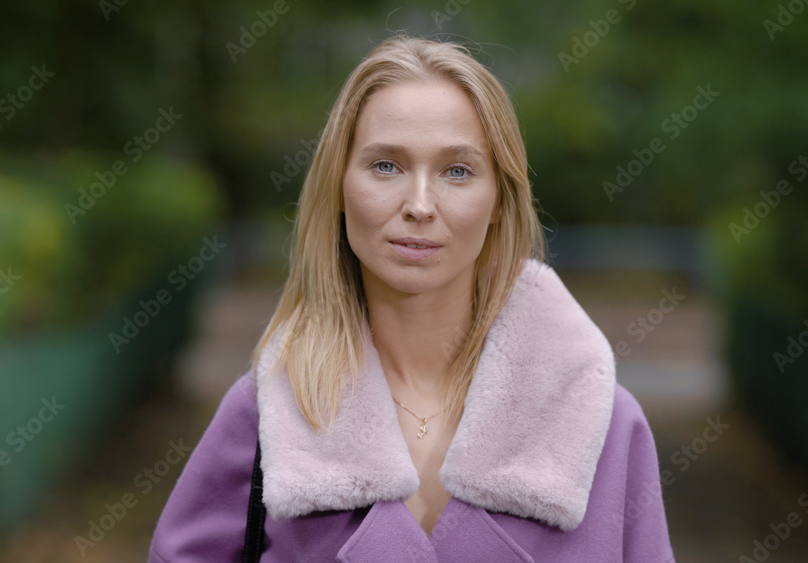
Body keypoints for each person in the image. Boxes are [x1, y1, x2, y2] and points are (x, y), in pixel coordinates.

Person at [148, 35, 673, 562]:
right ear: (337, 185)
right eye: (386, 165)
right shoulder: (268, 414)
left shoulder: (599, 422)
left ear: (499, 199)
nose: (420, 205)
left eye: (457, 171)